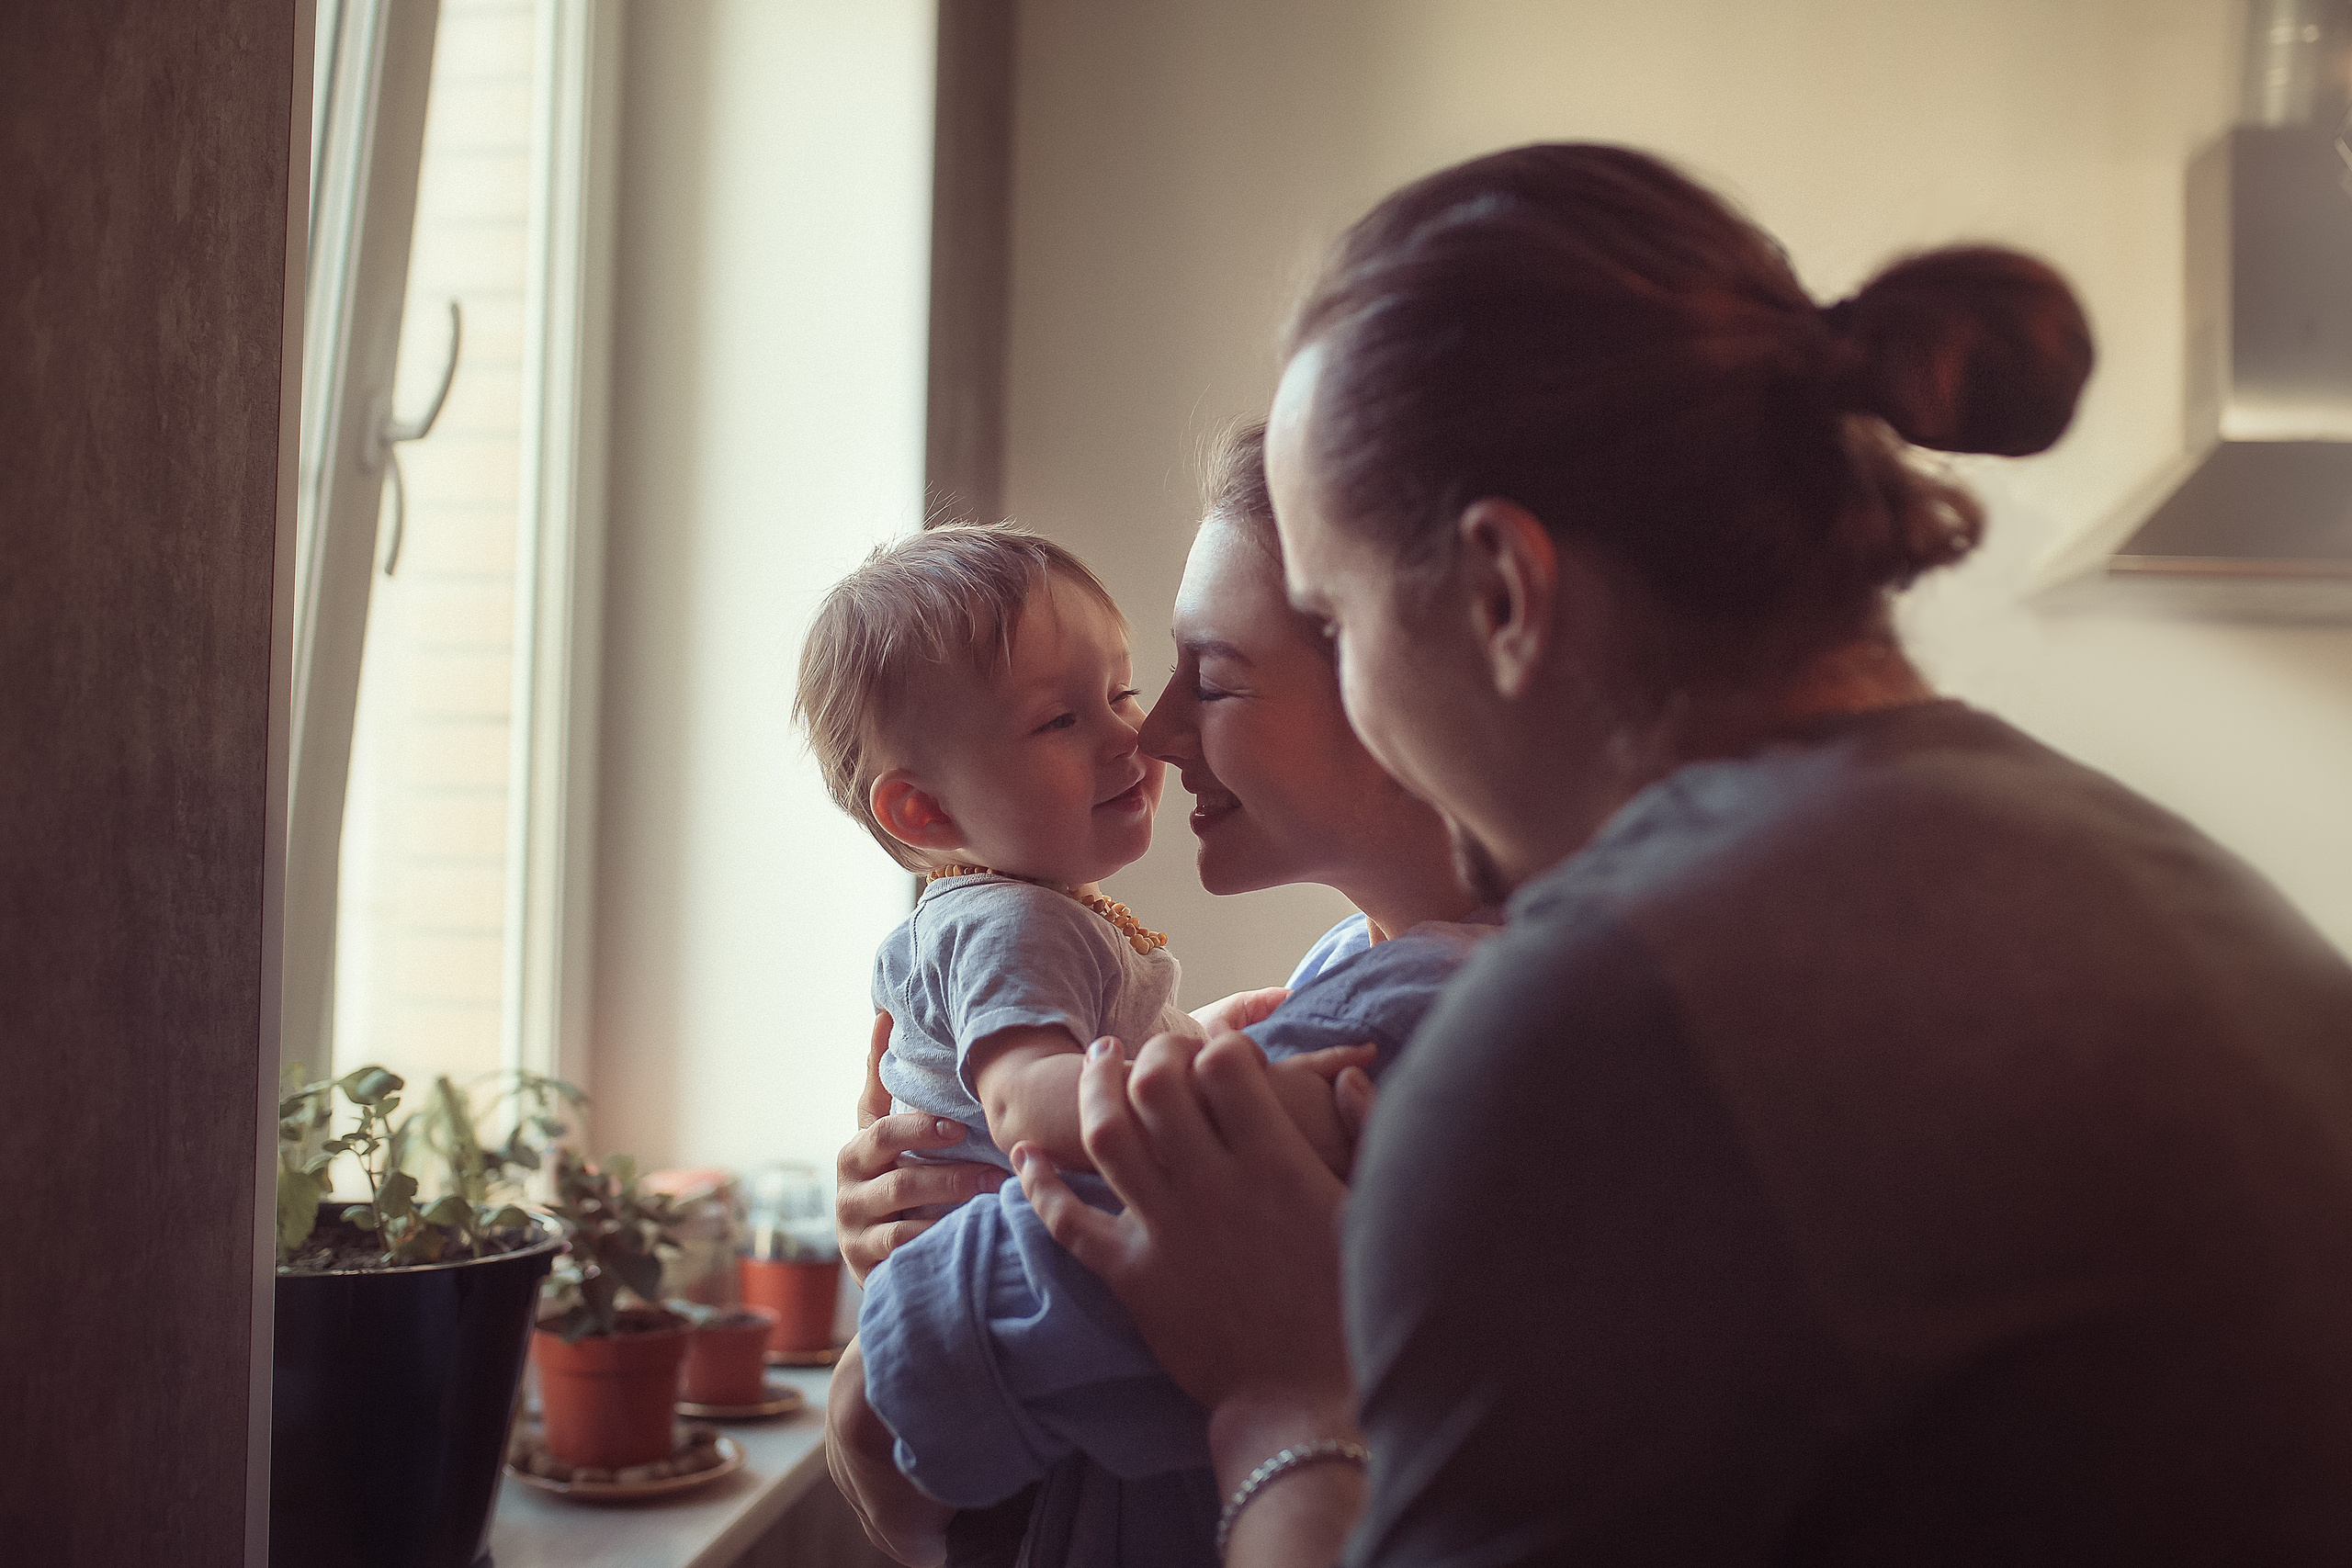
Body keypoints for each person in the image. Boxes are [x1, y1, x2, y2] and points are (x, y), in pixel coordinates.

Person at [1013, 142, 2352, 1567]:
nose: (1351, 702)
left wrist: (1286, 1386)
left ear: (1502, 591)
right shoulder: (2183, 886)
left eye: (1338, 630)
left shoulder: (1604, 1021)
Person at [826, 428, 1499, 1568]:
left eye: (1211, 679)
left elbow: (885, 1413)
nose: (1156, 733)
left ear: (1407, 688)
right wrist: (925, 1205)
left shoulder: (1413, 1023)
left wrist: (924, 1274)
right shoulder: (1347, 966)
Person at [792, 525, 1365, 1199]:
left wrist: (1194, 1032)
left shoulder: (1026, 917)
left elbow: (1076, 1058)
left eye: (1122, 692)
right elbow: (1028, 1103)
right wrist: (1243, 1098)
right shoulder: (1009, 927)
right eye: (1060, 720)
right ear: (926, 809)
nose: (1131, 732)